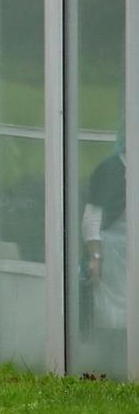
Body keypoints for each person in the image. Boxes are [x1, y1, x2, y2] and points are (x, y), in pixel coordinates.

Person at [82, 133, 127, 376]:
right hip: (113, 254)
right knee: (112, 314)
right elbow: (93, 216)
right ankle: (112, 367)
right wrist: (95, 257)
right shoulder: (110, 170)